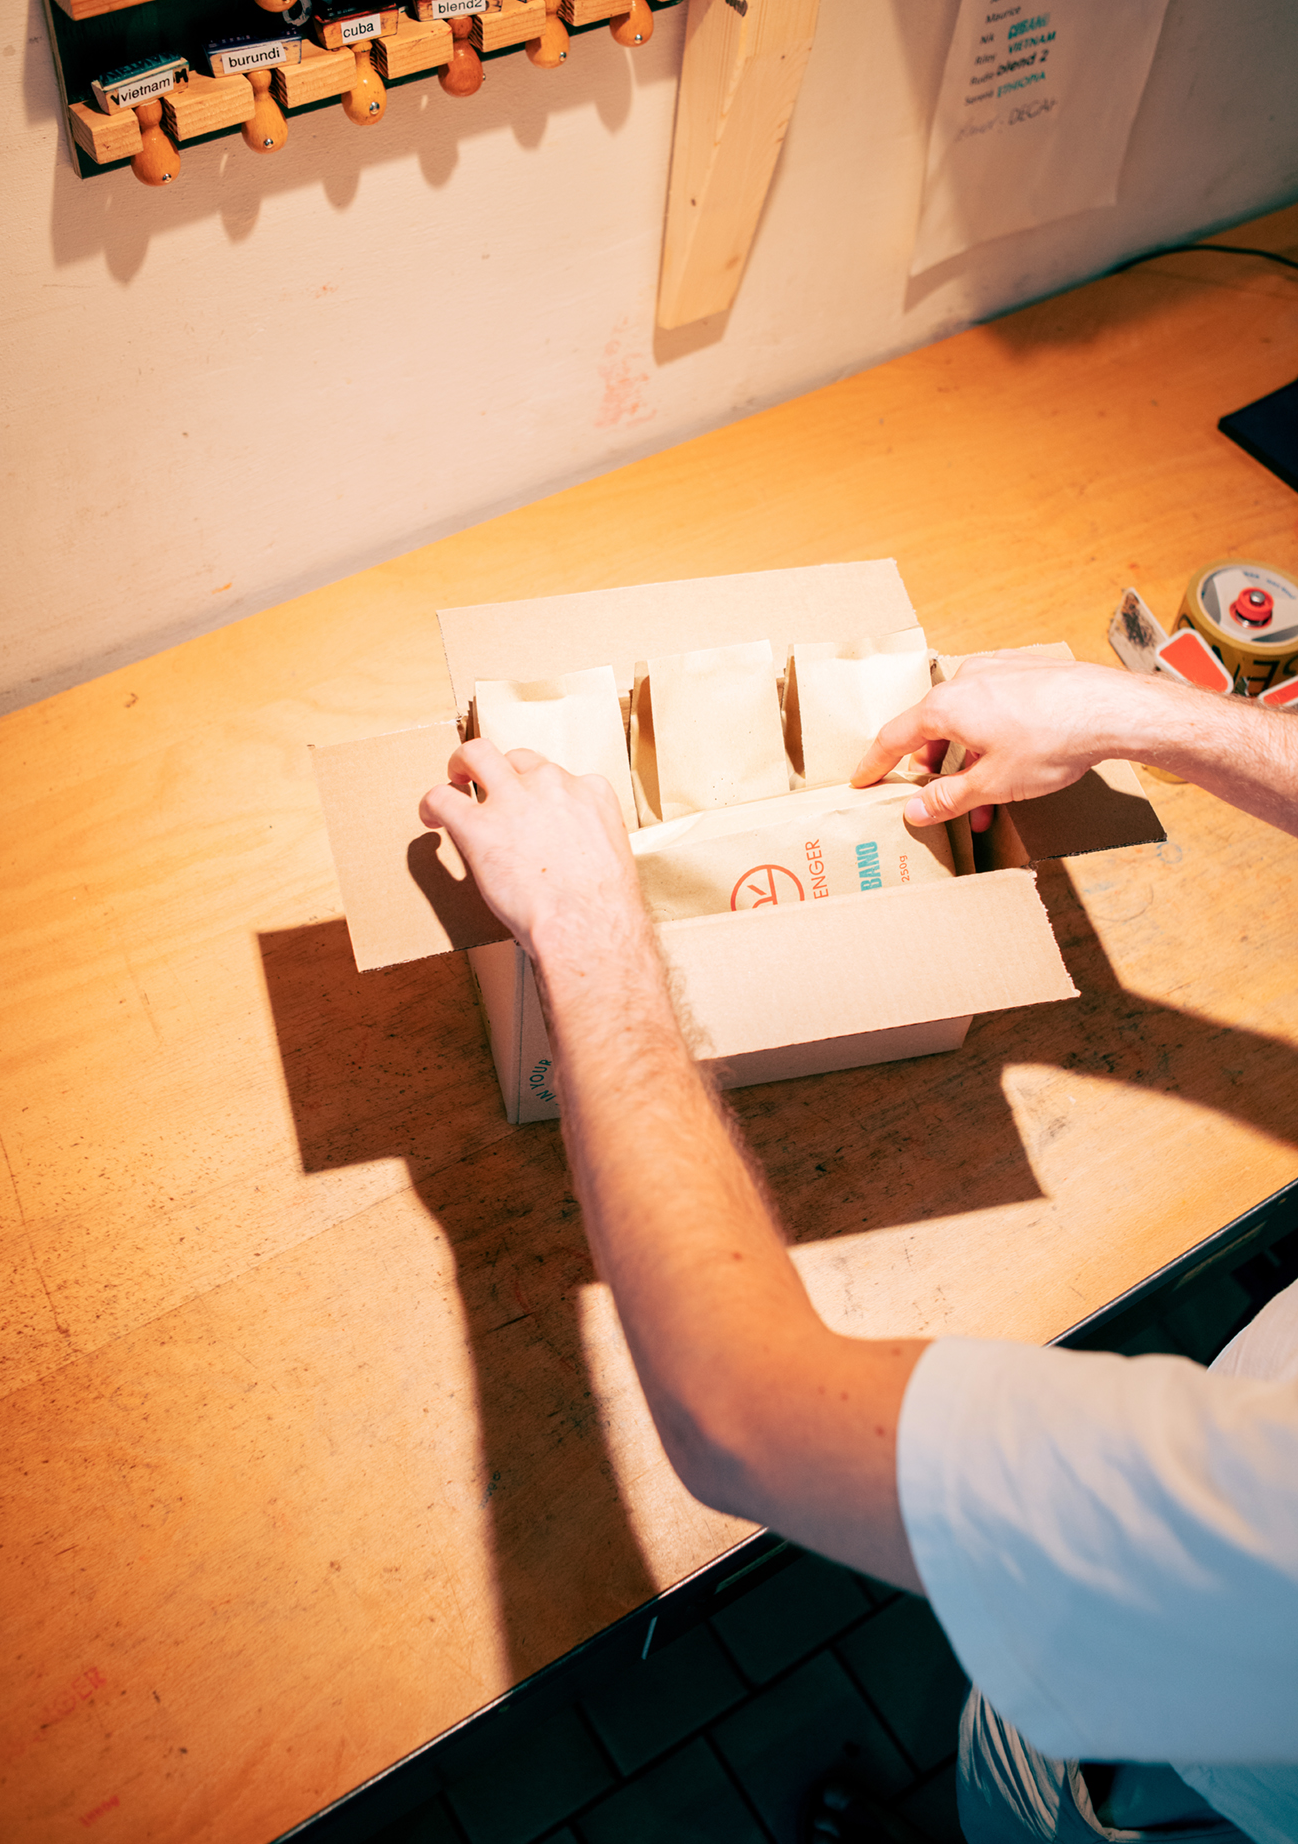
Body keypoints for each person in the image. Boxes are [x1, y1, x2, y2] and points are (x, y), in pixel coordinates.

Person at [419, 655, 1298, 1844]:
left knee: (1054, 1799)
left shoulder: (1264, 1534)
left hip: (1198, 1759)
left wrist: (584, 927)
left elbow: (742, 1417)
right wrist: (1131, 711)